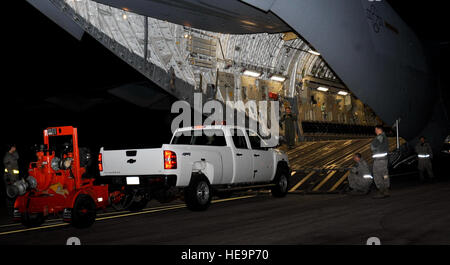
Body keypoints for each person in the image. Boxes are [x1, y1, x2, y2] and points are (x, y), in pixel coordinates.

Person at [370, 125, 390, 199]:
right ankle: (386, 190)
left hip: (379, 160)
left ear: (379, 129)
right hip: (384, 160)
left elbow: (373, 146)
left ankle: (381, 191)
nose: (375, 131)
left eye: (375, 129)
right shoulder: (384, 137)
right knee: (384, 175)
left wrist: (372, 146)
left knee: (377, 175)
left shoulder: (380, 137)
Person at [3, 144, 19, 217]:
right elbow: (9, 169)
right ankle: (10, 212)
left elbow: (17, 157)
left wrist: (14, 152)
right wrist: (12, 180)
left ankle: (15, 211)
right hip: (10, 179)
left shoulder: (12, 155)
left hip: (15, 178)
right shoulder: (7, 157)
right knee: (10, 195)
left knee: (15, 194)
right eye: (14, 147)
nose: (15, 148)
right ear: (12, 148)